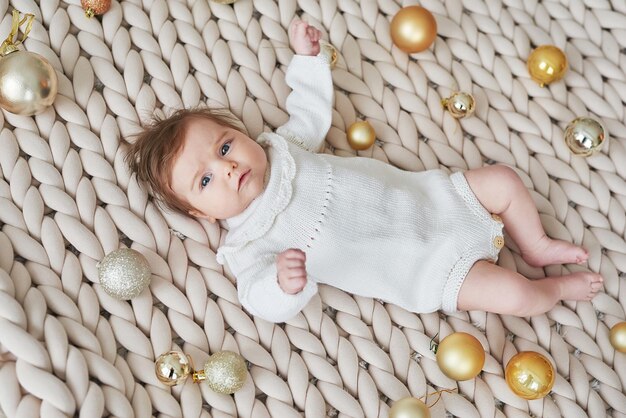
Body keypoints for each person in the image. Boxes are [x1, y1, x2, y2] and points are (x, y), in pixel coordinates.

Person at [125, 19, 603, 323]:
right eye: (206, 181)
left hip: (438, 200)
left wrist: (308, 61)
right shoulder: (249, 245)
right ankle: (554, 288)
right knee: (516, 297)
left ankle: (535, 244)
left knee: (502, 180)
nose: (227, 167)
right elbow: (257, 299)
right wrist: (282, 284)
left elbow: (310, 112)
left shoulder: (282, 150)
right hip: (429, 271)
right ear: (202, 214)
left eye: (225, 146)